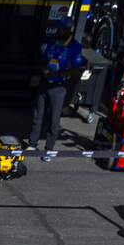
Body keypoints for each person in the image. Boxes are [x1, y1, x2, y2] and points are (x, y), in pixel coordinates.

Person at [30, 17, 83, 160]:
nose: (58, 30)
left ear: (68, 29)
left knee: (54, 119)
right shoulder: (52, 42)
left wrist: (59, 74)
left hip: (59, 87)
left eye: (61, 28)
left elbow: (77, 70)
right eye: (58, 27)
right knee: (37, 114)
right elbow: (42, 60)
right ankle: (32, 144)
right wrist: (45, 69)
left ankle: (49, 149)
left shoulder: (74, 46)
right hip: (45, 82)